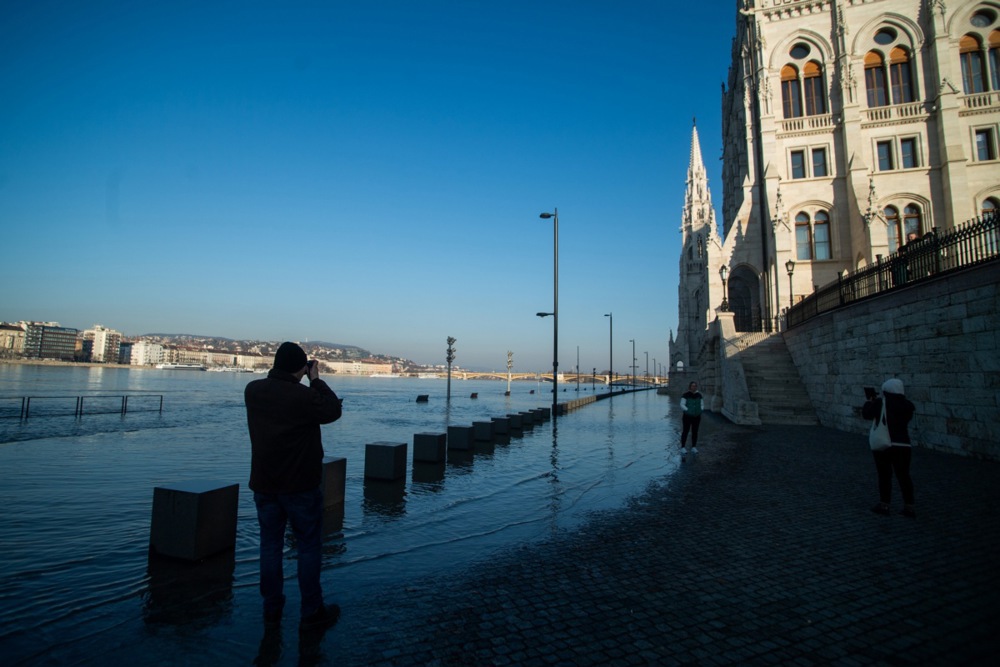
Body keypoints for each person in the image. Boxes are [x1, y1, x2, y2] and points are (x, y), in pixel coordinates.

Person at [245, 341, 343, 630]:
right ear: (301, 368)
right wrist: (316, 379)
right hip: (300, 485)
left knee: (270, 546)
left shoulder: (252, 391)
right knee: (309, 547)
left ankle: (272, 607)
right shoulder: (303, 396)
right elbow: (333, 410)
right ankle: (312, 610)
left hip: (264, 484)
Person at [862, 378, 916, 517]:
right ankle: (909, 507)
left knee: (885, 475)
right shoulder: (908, 406)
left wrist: (870, 401)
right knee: (904, 476)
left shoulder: (881, 403)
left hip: (885, 444)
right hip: (904, 445)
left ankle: (884, 505)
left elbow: (866, 414)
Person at [679, 381, 704, 455]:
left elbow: (702, 404)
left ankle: (693, 447)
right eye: (692, 386)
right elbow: (682, 404)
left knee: (695, 431)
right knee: (685, 431)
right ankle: (683, 447)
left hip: (697, 416)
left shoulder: (699, 395)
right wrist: (688, 410)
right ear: (690, 387)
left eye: (695, 386)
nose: (694, 387)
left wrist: (700, 410)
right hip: (687, 416)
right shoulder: (685, 395)